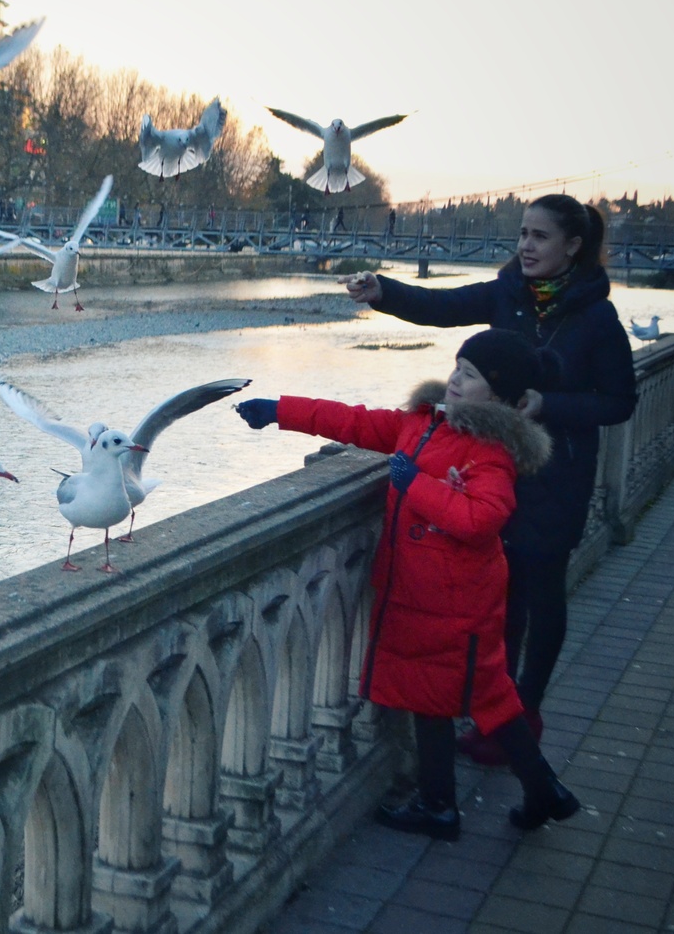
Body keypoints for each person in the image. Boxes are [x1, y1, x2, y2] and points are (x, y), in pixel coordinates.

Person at [236, 330, 580, 839]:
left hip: (454, 604)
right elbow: (354, 421)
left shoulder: (493, 452)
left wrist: (412, 482)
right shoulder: (424, 421)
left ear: (501, 397)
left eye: (471, 375)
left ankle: (442, 805)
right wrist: (280, 409)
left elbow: (481, 519)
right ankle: (544, 791)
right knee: (480, 699)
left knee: (443, 703)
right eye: (458, 367)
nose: (456, 379)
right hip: (428, 597)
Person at [338, 195, 635, 764]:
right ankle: (496, 714)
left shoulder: (596, 318)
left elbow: (619, 401)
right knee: (502, 599)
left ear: (573, 246)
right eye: (522, 233)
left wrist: (549, 403)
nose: (525, 245)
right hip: (491, 470)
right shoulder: (508, 294)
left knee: (540, 593)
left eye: (540, 236)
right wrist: (383, 292)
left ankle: (527, 713)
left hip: (558, 477)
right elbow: (443, 306)